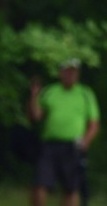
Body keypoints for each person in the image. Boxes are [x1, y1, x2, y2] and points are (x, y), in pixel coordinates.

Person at [28, 58, 100, 206]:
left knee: (71, 188)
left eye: (73, 72)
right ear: (61, 73)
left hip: (73, 146)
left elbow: (93, 123)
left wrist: (86, 141)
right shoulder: (50, 91)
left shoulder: (85, 94)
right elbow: (36, 116)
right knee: (40, 183)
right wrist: (34, 96)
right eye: (67, 71)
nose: (70, 75)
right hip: (50, 145)